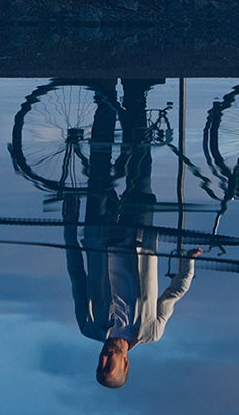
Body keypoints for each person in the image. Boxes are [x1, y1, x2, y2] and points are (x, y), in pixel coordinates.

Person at [64, 78, 200, 388]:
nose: (101, 357)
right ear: (125, 363)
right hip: (140, 235)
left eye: (98, 364)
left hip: (98, 235)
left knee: (99, 166)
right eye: (107, 365)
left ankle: (106, 95)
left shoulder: (89, 325)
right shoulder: (151, 330)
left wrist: (69, 230)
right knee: (141, 163)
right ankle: (136, 93)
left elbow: (77, 275)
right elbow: (175, 292)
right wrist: (188, 264)